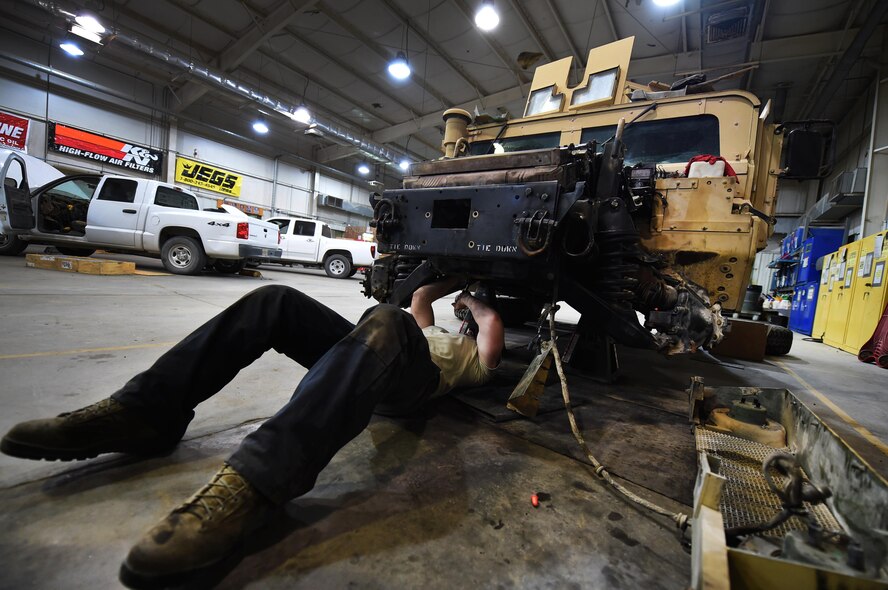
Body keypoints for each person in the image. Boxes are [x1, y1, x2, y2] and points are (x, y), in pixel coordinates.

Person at [1, 278, 504, 589]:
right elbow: (420, 297)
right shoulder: (428, 327)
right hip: (378, 347)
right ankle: (146, 411)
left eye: (466, 321)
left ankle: (260, 480)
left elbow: (490, 320)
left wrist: (478, 299)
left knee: (388, 320)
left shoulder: (476, 361)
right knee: (276, 300)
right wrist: (459, 272)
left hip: (408, 388)